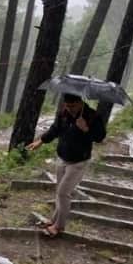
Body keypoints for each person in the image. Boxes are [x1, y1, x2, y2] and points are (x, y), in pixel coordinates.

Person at [27, 93, 106, 237]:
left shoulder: (92, 116)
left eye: (72, 106)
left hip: (79, 161)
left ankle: (59, 226)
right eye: (67, 105)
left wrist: (86, 129)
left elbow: (100, 137)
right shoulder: (63, 114)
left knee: (63, 193)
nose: (69, 108)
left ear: (80, 103)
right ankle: (53, 220)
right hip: (62, 157)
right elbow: (54, 129)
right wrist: (40, 141)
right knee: (59, 191)